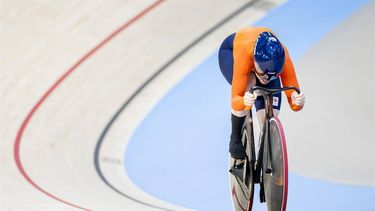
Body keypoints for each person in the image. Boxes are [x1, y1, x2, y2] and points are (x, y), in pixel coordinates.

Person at [218, 26, 305, 160]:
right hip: (230, 52)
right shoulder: (245, 54)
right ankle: (235, 138)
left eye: (272, 75)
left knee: (268, 118)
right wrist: (243, 101)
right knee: (251, 82)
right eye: (264, 73)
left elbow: (294, 102)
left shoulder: (283, 58)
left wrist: (297, 101)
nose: (266, 79)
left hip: (264, 63)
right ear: (255, 61)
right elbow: (236, 98)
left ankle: (264, 158)